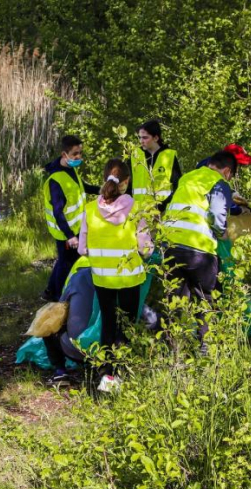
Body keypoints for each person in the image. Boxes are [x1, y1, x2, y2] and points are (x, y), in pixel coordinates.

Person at [79, 158, 153, 386]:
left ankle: (107, 374)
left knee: (108, 325)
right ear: (126, 182)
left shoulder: (90, 209)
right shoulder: (137, 208)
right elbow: (146, 249)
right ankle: (123, 372)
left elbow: (82, 249)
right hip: (130, 277)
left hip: (102, 278)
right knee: (127, 325)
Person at [160, 151, 239, 354]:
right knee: (206, 300)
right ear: (227, 171)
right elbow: (216, 214)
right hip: (199, 251)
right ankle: (205, 351)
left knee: (175, 302)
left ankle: (174, 353)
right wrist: (222, 233)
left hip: (171, 246)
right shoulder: (219, 182)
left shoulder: (188, 177)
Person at [42, 135, 100, 301]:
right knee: (66, 263)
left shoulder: (71, 169)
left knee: (64, 261)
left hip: (75, 228)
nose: (78, 157)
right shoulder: (56, 180)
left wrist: (101, 190)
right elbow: (58, 213)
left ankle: (50, 291)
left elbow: (82, 186)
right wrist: (70, 236)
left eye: (80, 153)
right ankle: (58, 297)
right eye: (75, 154)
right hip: (65, 231)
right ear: (64, 154)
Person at [43, 256, 95, 383]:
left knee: (47, 325)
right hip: (110, 351)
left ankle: (60, 372)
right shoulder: (118, 283)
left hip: (79, 351)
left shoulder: (77, 278)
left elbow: (60, 308)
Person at [129, 120, 182, 204]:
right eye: (140, 137)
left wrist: (162, 207)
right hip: (138, 212)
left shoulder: (169, 156)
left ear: (156, 138)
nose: (141, 141)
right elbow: (126, 185)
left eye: (145, 137)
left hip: (162, 212)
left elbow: (178, 186)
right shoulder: (135, 155)